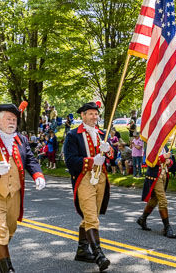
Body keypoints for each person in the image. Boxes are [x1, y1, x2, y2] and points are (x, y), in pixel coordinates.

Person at [0, 103, 45, 273]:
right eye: (8, 119)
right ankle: (8, 269)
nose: (12, 122)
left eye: (14, 119)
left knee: (10, 229)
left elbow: (31, 161)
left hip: (15, 193)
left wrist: (38, 175)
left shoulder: (22, 140)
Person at [63, 101, 113, 272]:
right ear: (82, 116)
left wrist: (109, 151)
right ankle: (99, 254)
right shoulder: (73, 135)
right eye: (90, 113)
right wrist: (91, 162)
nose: (94, 117)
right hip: (84, 179)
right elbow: (70, 161)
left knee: (92, 214)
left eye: (96, 113)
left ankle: (82, 250)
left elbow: (113, 158)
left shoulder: (102, 133)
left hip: (101, 179)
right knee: (92, 217)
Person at [136, 147, 176, 239]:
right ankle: (167, 227)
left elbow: (171, 160)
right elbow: (150, 161)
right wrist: (163, 158)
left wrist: (169, 162)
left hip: (164, 175)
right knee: (163, 200)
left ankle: (142, 218)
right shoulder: (151, 144)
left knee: (154, 199)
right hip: (155, 176)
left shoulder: (165, 145)